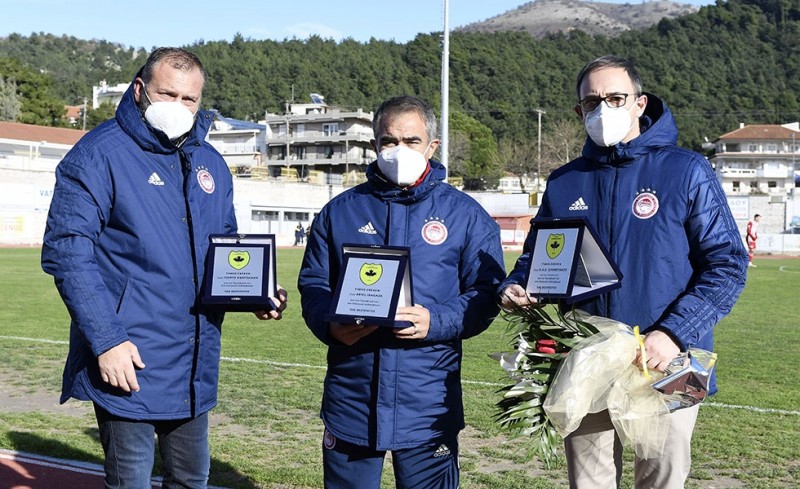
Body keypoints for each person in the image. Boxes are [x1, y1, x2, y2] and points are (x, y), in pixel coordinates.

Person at [41, 47, 287, 489]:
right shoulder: (98, 154)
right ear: (140, 90)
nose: (178, 106)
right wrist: (108, 340)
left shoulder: (210, 161)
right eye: (166, 93)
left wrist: (256, 291)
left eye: (188, 99)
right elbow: (67, 252)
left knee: (192, 481)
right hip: (127, 359)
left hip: (192, 360)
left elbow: (226, 248)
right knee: (130, 481)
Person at [499, 55, 748, 489]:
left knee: (663, 476)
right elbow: (539, 258)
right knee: (589, 478)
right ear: (580, 112)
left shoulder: (687, 169)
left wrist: (673, 332)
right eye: (592, 102)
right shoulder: (564, 181)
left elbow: (727, 264)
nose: (603, 109)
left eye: (615, 98)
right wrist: (517, 285)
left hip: (673, 357)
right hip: (586, 352)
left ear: (639, 103)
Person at [298, 95, 505, 489]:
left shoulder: (465, 214)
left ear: (432, 146)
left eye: (411, 141)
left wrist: (436, 321)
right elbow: (314, 285)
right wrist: (331, 325)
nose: (398, 150)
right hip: (351, 399)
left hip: (428, 402)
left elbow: (486, 291)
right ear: (375, 144)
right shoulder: (340, 211)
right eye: (388, 141)